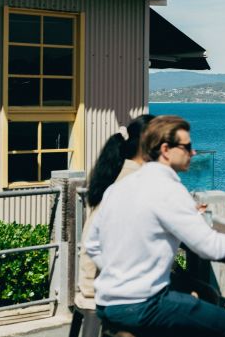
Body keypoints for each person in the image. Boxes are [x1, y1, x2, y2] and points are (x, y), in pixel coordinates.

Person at [86, 116, 225, 337]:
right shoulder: (169, 190)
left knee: (202, 300)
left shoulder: (119, 188)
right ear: (166, 150)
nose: (193, 153)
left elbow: (92, 244)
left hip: (106, 302)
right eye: (187, 147)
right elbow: (210, 247)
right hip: (144, 305)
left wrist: (118, 271)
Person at [73, 114, 155, 337]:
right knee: (201, 295)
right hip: (107, 288)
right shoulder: (135, 181)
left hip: (94, 280)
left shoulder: (116, 171)